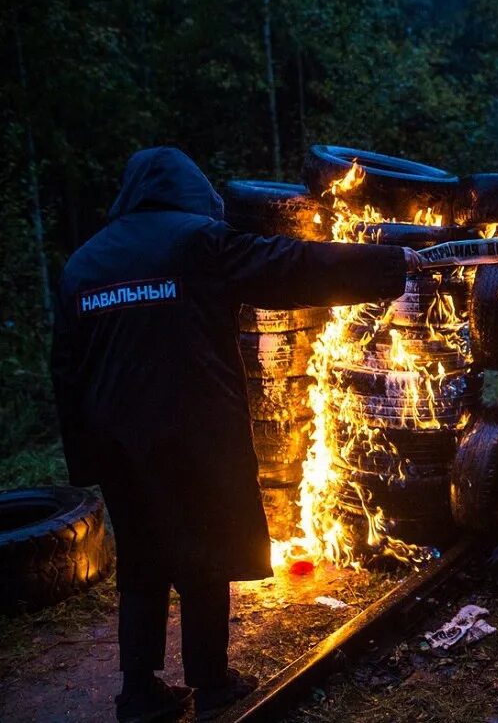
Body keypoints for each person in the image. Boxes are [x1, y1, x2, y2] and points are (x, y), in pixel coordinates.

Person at [50, 147, 423, 722]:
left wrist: (87, 458)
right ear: (188, 187)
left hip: (118, 439)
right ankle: (212, 681)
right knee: (206, 553)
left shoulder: (83, 264)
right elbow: (291, 267)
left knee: (142, 560)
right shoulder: (197, 241)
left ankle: (138, 692)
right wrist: (389, 265)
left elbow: (66, 368)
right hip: (192, 430)